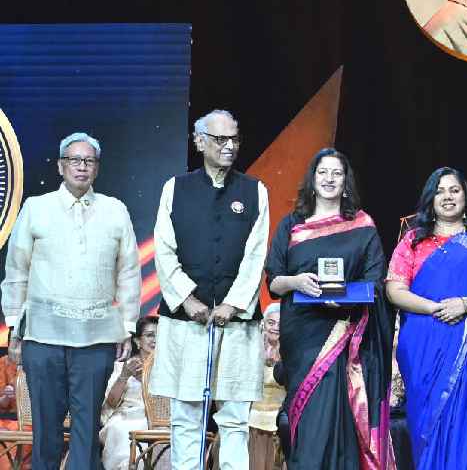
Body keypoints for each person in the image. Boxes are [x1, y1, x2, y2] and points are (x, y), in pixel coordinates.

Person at [1, 132, 141, 470]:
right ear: (62, 166)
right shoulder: (37, 208)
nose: (82, 167)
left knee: (87, 429)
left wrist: (127, 326)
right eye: (75, 160)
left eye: (89, 161)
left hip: (95, 339)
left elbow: (129, 272)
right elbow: (16, 270)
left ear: (97, 168)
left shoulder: (115, 210)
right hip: (43, 337)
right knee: (46, 430)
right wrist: (14, 328)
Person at [149, 109, 270, 470]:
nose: (229, 146)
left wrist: (232, 305)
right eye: (221, 139)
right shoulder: (175, 188)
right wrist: (187, 299)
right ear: (200, 141)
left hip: (236, 325)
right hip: (186, 321)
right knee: (186, 416)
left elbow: (256, 254)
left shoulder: (254, 191)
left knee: (234, 418)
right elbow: (163, 248)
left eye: (234, 139)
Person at [264, 148, 394, 469]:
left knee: (344, 422)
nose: (329, 179)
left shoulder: (362, 226)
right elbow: (274, 282)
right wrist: (297, 282)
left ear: (346, 182)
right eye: (323, 172)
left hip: (348, 338)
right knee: (307, 422)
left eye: (337, 173)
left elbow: (376, 281)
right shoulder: (292, 225)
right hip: (304, 337)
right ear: (312, 179)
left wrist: (346, 297)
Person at [386, 167, 467, 470]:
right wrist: (435, 308)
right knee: (425, 425)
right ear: (430, 199)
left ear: (465, 197)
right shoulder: (412, 243)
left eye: (454, 190)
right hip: (423, 344)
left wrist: (465, 305)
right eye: (440, 191)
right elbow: (394, 290)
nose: (447, 197)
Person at [100, 316, 166, 470]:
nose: (155, 340)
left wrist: (148, 379)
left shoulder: (168, 370)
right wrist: (124, 376)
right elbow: (110, 404)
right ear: (137, 341)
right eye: (150, 335)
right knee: (120, 429)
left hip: (158, 421)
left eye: (160, 335)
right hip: (125, 418)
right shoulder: (121, 367)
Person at [249, 303, 287, 470]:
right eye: (271, 323)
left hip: (278, 421)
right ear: (264, 323)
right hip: (251, 420)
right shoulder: (252, 349)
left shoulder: (290, 351)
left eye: (280, 324)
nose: (275, 328)